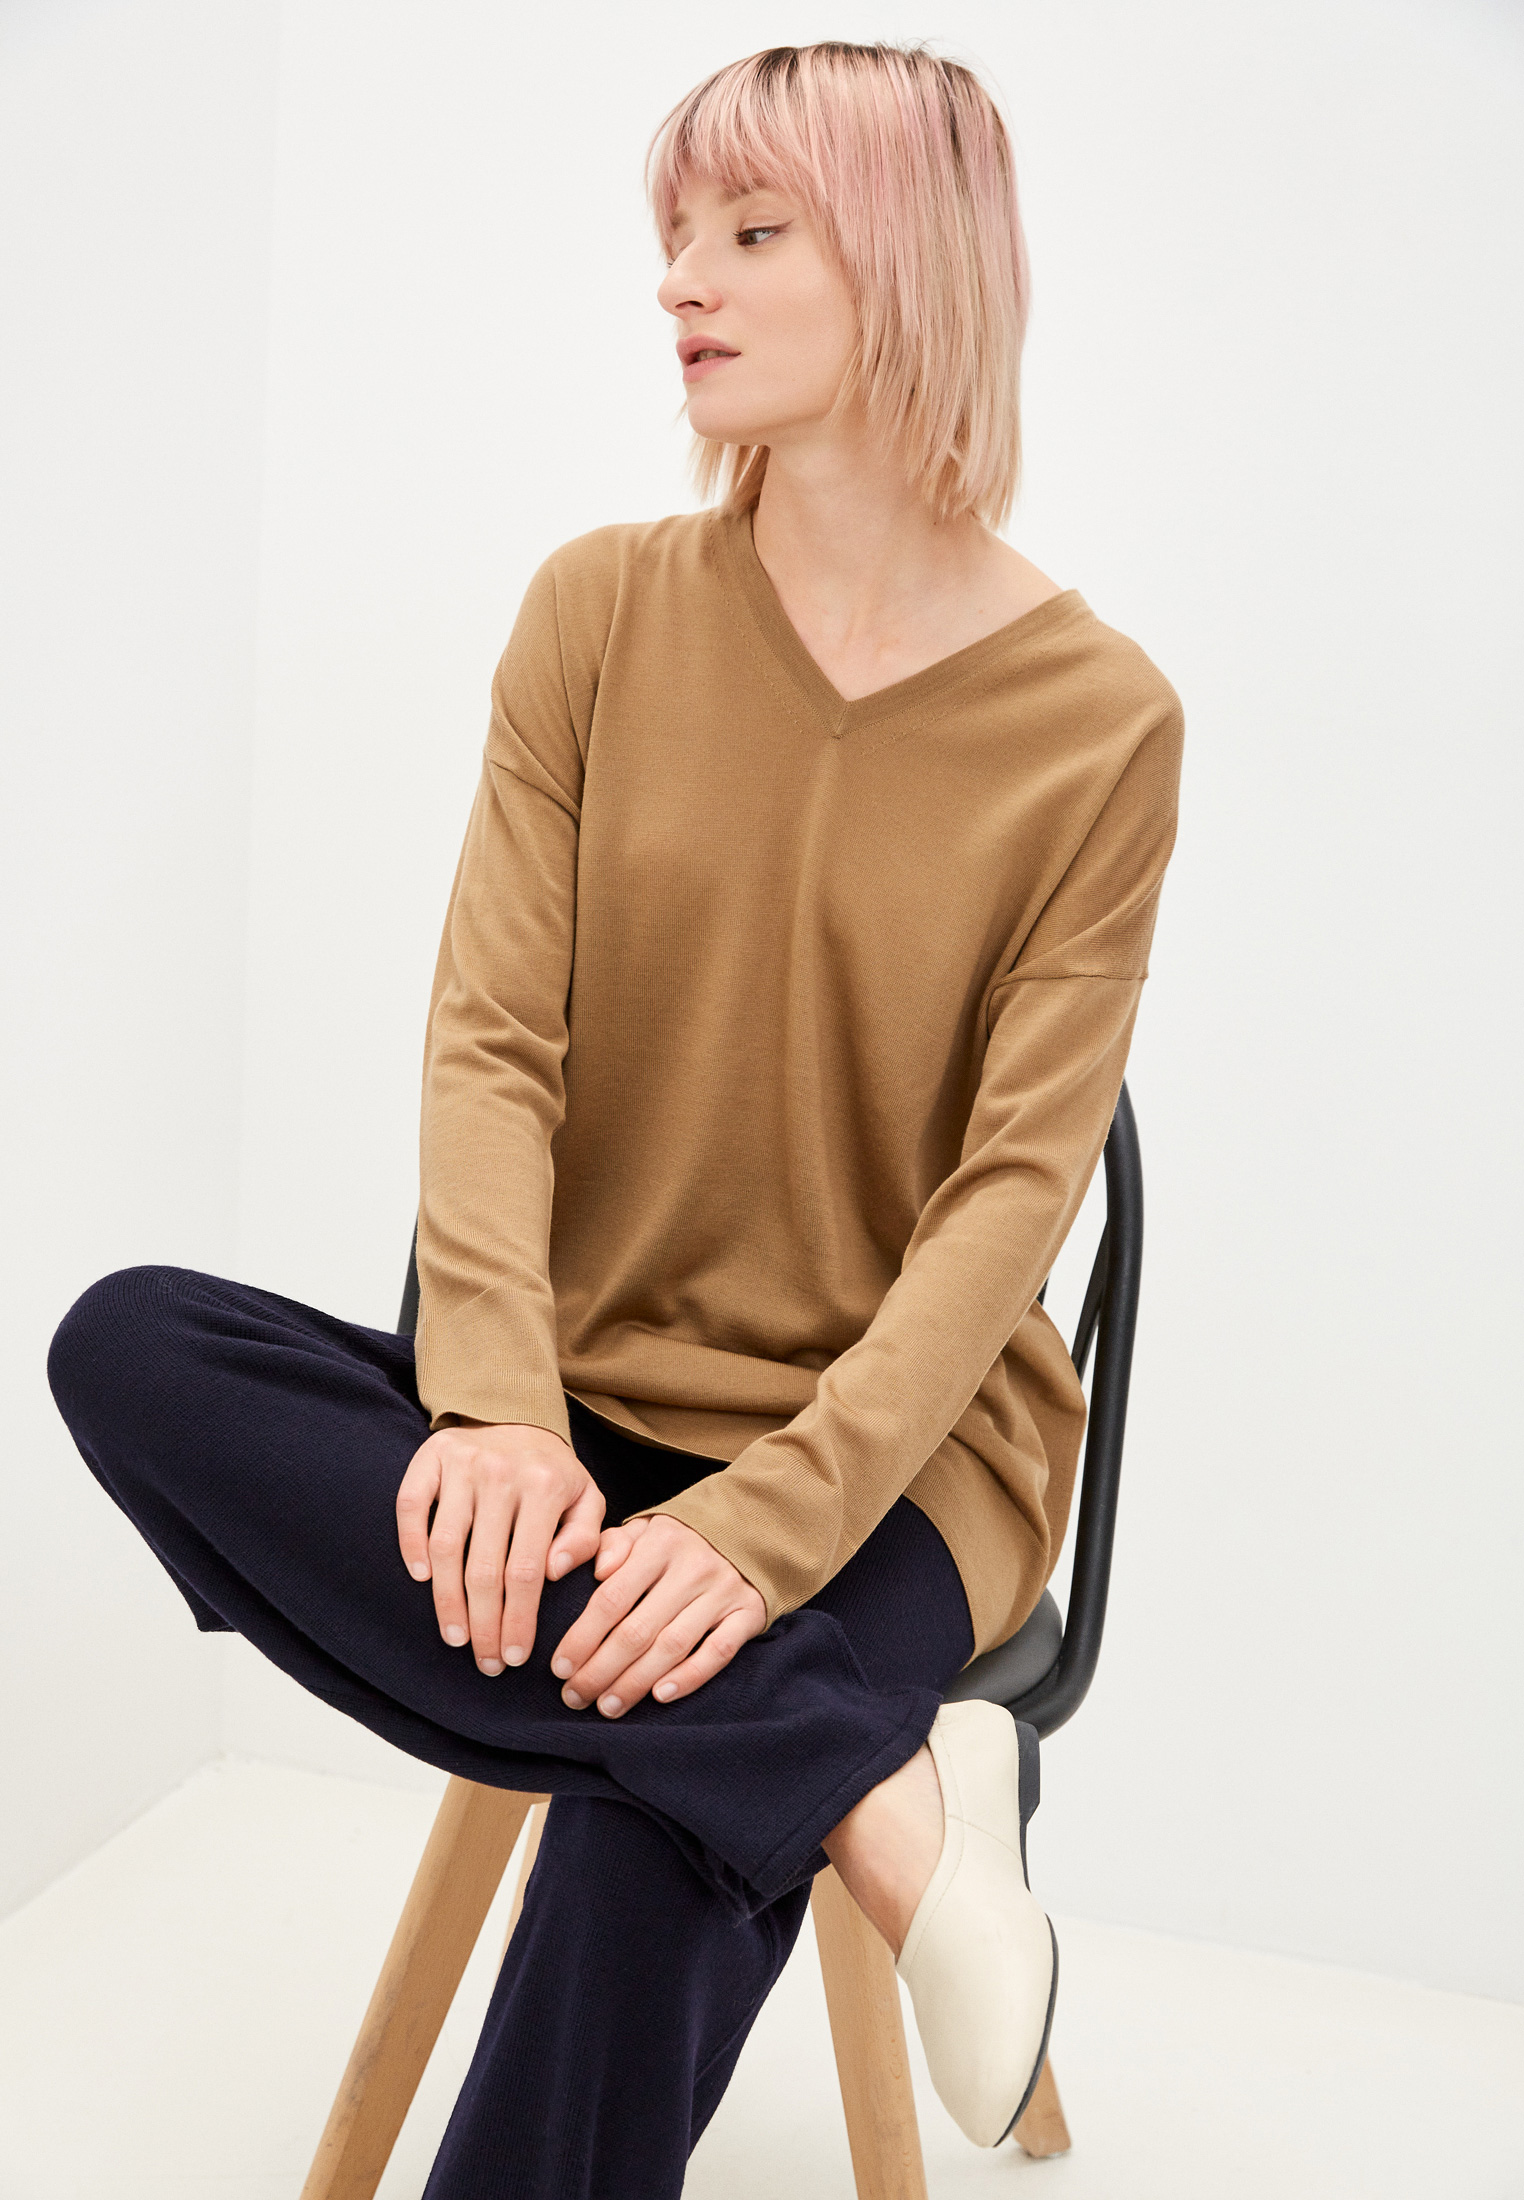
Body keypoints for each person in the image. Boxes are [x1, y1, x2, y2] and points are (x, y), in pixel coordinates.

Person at [46, 38, 1183, 2200]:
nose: (683, 280)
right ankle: (880, 1792)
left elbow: (1013, 1201)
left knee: (655, 1832)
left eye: (752, 232)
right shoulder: (600, 611)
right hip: (580, 1424)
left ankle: (792, 1742)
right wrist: (492, 1407)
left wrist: (760, 1537)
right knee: (128, 1339)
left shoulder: (1101, 723)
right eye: (676, 233)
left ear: (914, 266)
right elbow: (492, 1041)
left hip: (898, 1468)